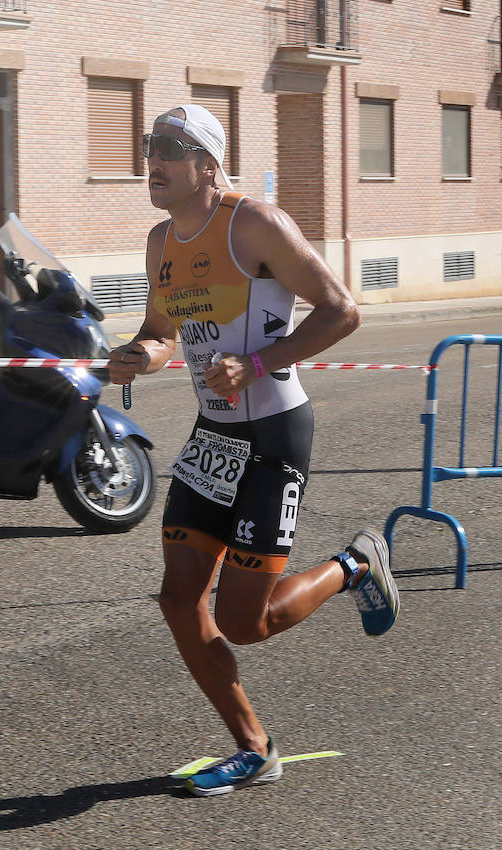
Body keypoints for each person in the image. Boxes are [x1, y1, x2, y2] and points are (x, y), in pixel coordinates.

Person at [106, 105, 399, 797]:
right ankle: (253, 746)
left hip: (273, 431)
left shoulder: (255, 223)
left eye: (172, 147)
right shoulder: (160, 242)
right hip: (215, 436)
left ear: (208, 165)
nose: (156, 158)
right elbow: (161, 330)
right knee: (180, 598)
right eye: (151, 144)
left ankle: (356, 563)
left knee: (245, 619)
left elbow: (340, 309)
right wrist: (136, 356)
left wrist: (260, 361)